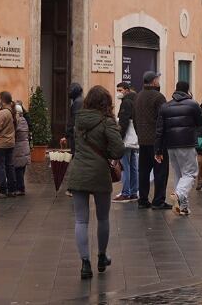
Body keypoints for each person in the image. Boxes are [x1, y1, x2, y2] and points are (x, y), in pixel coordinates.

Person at [65, 85, 125, 280]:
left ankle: (85, 263)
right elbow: (118, 149)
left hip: (79, 171)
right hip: (99, 173)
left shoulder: (79, 120)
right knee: (103, 218)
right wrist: (107, 153)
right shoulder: (107, 121)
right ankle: (101, 256)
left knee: (81, 220)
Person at [157, 79, 202, 216]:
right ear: (187, 90)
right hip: (186, 143)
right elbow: (201, 121)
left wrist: (158, 149)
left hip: (170, 145)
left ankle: (182, 207)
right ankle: (179, 194)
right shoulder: (192, 104)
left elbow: (159, 130)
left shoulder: (165, 106)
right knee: (190, 173)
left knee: (179, 174)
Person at [134, 71, 170, 209]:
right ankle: (158, 201)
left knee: (143, 171)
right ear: (154, 81)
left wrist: (140, 134)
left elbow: (135, 119)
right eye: (157, 79)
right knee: (160, 171)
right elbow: (164, 118)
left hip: (143, 140)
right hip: (157, 141)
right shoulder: (158, 97)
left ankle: (143, 200)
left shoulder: (138, 96)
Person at [114, 81, 139, 202]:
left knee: (125, 166)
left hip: (126, 139)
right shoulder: (135, 100)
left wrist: (119, 138)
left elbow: (123, 123)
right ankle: (134, 192)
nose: (118, 93)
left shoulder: (126, 102)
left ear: (127, 90)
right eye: (117, 90)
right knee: (133, 166)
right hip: (134, 139)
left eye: (120, 90)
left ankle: (126, 193)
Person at [0, 90, 17, 198]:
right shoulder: (11, 111)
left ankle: (2, 190)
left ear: (3, 100)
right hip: (10, 143)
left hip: (1, 144)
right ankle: (12, 189)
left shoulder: (3, 112)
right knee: (9, 166)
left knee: (0, 167)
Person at [11, 100, 30, 197]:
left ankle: (20, 188)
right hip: (23, 147)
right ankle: (20, 187)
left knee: (18, 168)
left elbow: (15, 133)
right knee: (21, 168)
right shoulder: (24, 120)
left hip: (19, 148)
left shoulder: (19, 121)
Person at [66, 82, 84, 154]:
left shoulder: (77, 102)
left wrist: (67, 133)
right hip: (79, 132)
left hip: (76, 133)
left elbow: (74, 119)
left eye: (70, 90)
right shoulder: (80, 100)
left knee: (75, 153)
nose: (68, 92)